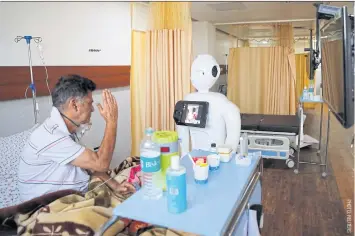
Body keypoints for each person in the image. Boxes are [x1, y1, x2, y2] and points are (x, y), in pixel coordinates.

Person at [18, 74, 135, 202]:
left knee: (135, 172)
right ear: (74, 105)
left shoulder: (65, 130)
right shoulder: (51, 136)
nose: (92, 109)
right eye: (90, 103)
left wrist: (116, 186)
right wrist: (112, 122)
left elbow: (90, 166)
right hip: (45, 207)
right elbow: (101, 164)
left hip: (78, 192)